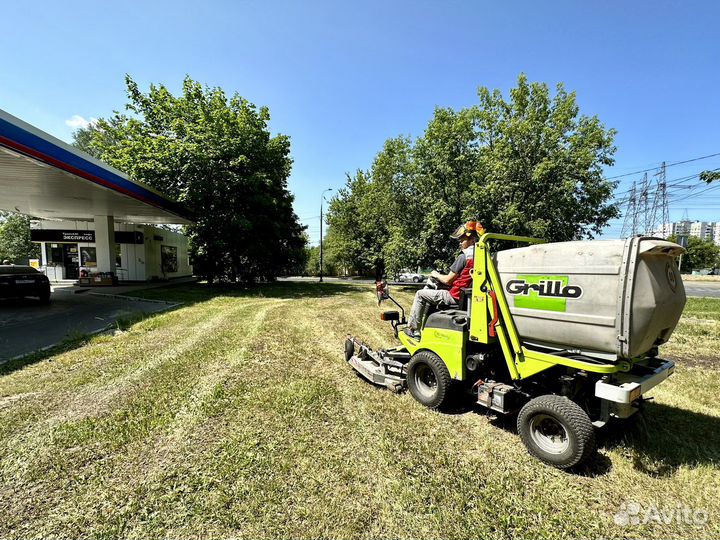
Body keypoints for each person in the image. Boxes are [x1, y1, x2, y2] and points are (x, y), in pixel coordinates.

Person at [404, 221, 482, 339]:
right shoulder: (481, 257)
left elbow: (448, 280)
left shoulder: (463, 257)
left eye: (462, 240)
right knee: (430, 293)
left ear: (472, 240)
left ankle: (413, 329)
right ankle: (426, 327)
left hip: (454, 297)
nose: (460, 243)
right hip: (467, 297)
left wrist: (435, 274)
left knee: (420, 294)